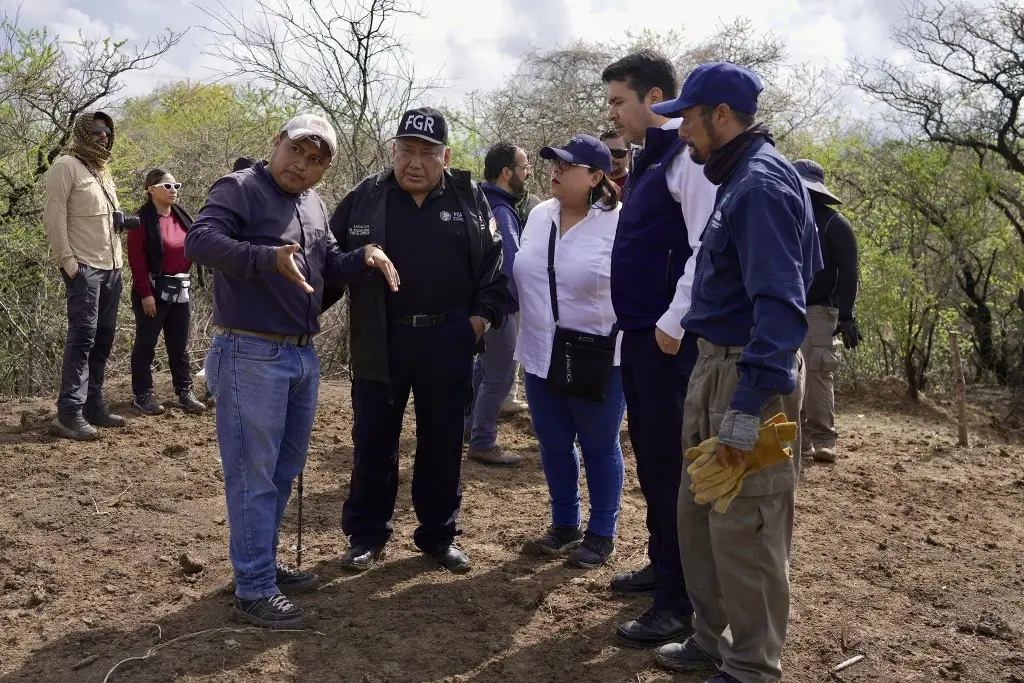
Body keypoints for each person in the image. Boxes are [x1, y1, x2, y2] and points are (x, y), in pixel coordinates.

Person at [185, 114, 400, 630]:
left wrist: (363, 257)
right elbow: (199, 241)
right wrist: (265, 258)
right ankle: (254, 588)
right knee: (252, 473)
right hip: (249, 352)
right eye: (296, 152)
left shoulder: (313, 203)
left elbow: (326, 262)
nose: (301, 166)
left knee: (282, 471)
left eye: (315, 161)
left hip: (303, 356)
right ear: (276, 142)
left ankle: (260, 565)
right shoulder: (240, 188)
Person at [650, 63, 821, 683]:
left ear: (721, 115)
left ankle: (751, 666)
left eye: (688, 120)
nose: (681, 133)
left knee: (747, 524)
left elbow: (781, 308)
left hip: (749, 376)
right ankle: (710, 641)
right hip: (714, 366)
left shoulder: (762, 187)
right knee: (700, 514)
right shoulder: (738, 178)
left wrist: (749, 407)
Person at [326, 107, 506, 575]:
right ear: (393, 152)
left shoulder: (470, 199)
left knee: (443, 442)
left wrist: (479, 320)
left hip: (447, 338)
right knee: (373, 441)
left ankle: (438, 535)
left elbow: (495, 264)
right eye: (406, 150)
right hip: (379, 339)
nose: (415, 162)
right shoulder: (365, 197)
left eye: (427, 153)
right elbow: (327, 256)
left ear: (445, 157)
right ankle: (366, 536)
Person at [601, 50, 719, 646]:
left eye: (620, 101)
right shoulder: (652, 159)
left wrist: (674, 320)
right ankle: (661, 567)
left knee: (672, 468)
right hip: (644, 339)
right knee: (652, 459)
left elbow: (707, 246)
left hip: (670, 342)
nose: (614, 113)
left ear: (653, 98)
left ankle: (677, 602)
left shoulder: (689, 158)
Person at [514, 134, 626, 569]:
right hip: (541, 350)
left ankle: (601, 533)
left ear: (596, 176)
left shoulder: (618, 222)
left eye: (567, 165)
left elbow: (639, 290)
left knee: (599, 444)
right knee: (553, 442)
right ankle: (564, 524)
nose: (555, 170)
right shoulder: (540, 215)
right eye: (554, 163)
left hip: (596, 354)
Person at [43, 111, 126, 441]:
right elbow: (54, 216)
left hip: (112, 268)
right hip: (85, 268)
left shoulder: (103, 171)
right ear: (82, 131)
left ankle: (93, 406)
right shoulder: (65, 166)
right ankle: (68, 413)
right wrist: (68, 262)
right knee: (82, 339)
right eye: (96, 130)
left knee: (103, 339)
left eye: (107, 131)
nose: (103, 135)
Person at [464, 142, 530, 466]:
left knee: (483, 369)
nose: (527, 172)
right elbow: (511, 263)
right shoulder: (501, 210)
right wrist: (523, 301)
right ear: (507, 173)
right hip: (498, 306)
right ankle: (483, 441)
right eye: (524, 167)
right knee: (501, 375)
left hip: (478, 303)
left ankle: (469, 427)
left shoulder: (480, 201)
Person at [792, 159, 861, 464]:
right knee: (790, 373)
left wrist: (846, 315)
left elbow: (849, 271)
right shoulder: (786, 219)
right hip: (785, 306)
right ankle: (798, 438)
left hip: (819, 310)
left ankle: (823, 437)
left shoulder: (835, 224)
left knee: (817, 371)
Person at [127, 168, 206, 416]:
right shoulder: (142, 220)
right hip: (153, 291)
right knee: (146, 344)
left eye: (176, 186)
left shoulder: (183, 217)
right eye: (167, 186)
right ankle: (143, 394)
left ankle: (184, 391)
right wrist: (145, 293)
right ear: (151, 190)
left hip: (180, 289)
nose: (173, 191)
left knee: (179, 345)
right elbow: (137, 261)